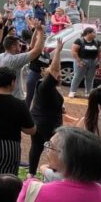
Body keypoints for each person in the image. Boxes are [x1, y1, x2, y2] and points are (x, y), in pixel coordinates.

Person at [28, 39, 67, 177]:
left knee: (36, 147)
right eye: (58, 73)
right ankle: (53, 174)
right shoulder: (45, 86)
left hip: (39, 121)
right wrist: (58, 51)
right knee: (56, 149)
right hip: (47, 124)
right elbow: (55, 69)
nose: (60, 74)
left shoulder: (45, 87)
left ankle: (31, 175)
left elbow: (56, 69)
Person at [0, 19, 45, 100]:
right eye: (19, 45)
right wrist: (40, 31)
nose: (21, 47)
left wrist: (36, 30)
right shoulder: (14, 60)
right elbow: (37, 51)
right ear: (13, 47)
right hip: (14, 98)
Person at [69, 27, 101, 98]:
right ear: (88, 33)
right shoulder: (79, 41)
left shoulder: (96, 42)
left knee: (90, 78)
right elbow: (74, 51)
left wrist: (98, 61)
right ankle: (72, 91)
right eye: (94, 33)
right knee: (77, 77)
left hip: (93, 61)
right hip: (82, 60)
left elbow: (100, 52)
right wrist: (79, 61)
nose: (95, 34)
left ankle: (88, 93)